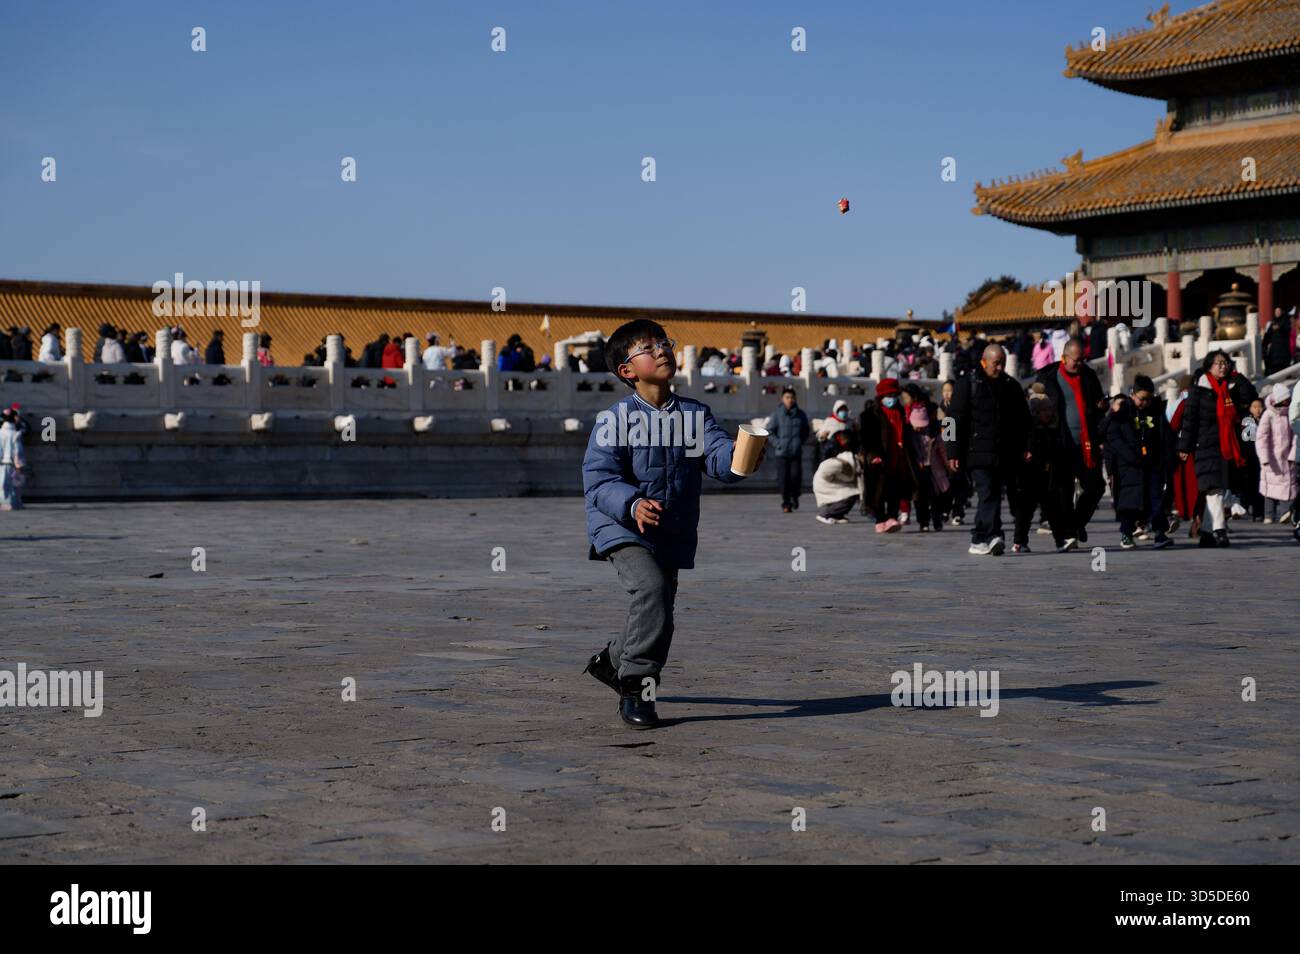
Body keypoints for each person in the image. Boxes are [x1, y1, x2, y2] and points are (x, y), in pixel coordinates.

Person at [581, 319, 758, 730]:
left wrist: (740, 456)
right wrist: (633, 502)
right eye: (649, 347)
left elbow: (716, 456)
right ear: (627, 370)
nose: (661, 351)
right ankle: (637, 687)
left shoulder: (695, 415)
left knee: (658, 607)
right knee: (651, 589)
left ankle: (610, 662)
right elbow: (599, 479)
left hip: (671, 526)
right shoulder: (615, 419)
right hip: (620, 524)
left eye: (664, 343)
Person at [944, 344, 1029, 556]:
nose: (999, 368)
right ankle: (994, 535)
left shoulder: (1011, 386)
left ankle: (978, 538)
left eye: (1002, 363)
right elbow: (951, 420)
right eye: (995, 363)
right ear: (984, 362)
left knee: (990, 495)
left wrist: (1028, 446)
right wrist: (951, 451)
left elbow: (1024, 421)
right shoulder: (967, 384)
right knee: (988, 492)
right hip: (975, 451)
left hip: (1003, 452)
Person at [1036, 339, 1106, 547]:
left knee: (1095, 487)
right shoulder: (1048, 378)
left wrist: (1101, 408)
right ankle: (1069, 533)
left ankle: (1076, 523)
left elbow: (1098, 406)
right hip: (1061, 444)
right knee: (1063, 491)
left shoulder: (1089, 376)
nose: (1080, 364)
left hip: (1087, 443)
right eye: (1076, 360)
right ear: (1064, 358)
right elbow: (1037, 409)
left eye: (1083, 360)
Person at [1179, 351, 1248, 547]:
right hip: (1204, 445)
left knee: (1216, 489)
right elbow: (1189, 421)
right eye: (1218, 363)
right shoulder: (1198, 390)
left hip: (1226, 445)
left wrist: (1238, 377)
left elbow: (1250, 396)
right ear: (1208, 366)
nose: (1223, 366)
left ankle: (1207, 533)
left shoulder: (1232, 388)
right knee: (1213, 488)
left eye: (1225, 363)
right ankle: (1219, 529)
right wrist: (1184, 446)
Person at [1014, 384, 1070, 553]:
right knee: (1025, 512)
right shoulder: (1028, 433)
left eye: (1049, 410)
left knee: (1054, 511)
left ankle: (1060, 540)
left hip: (1048, 478)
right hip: (1030, 477)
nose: (1047, 413)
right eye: (1043, 410)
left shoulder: (1054, 430)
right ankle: (1019, 541)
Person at [860, 378, 913, 534]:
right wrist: (874, 454)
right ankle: (880, 519)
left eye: (894, 395)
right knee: (878, 491)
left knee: (895, 489)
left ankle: (892, 516)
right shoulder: (870, 415)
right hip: (880, 458)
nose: (892, 399)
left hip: (899, 458)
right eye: (888, 395)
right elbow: (866, 437)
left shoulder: (902, 413)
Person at [764, 386, 810, 513]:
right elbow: (769, 431)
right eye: (787, 397)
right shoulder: (777, 414)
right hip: (781, 452)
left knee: (795, 477)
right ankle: (786, 502)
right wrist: (778, 444)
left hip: (796, 452)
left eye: (792, 397)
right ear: (782, 399)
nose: (790, 400)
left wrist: (800, 442)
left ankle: (795, 496)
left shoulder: (801, 415)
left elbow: (806, 431)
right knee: (783, 479)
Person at [1255, 383, 1296, 525]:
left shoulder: (1290, 414)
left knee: (1287, 486)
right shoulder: (1268, 414)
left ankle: (1286, 512)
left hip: (1286, 458)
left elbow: (1296, 436)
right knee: (1269, 487)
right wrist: (1264, 457)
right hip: (1271, 458)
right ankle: (1269, 514)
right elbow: (1262, 437)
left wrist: (1293, 454)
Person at [906, 399, 949, 531]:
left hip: (934, 469)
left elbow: (943, 451)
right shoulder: (909, 435)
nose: (919, 427)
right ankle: (923, 522)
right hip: (918, 471)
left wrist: (948, 464)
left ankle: (937, 520)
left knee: (936, 497)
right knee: (920, 499)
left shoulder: (935, 435)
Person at [1, 407, 27, 510]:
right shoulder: (15, 434)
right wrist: (18, 464)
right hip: (12, 463)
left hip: (2, 463)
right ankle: (15, 503)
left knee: (3, 484)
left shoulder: (0, 433)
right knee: (15, 484)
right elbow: (17, 450)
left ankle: (5, 503)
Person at [1263, 308, 1293, 376]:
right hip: (1274, 351)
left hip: (1283, 349)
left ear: (1281, 312)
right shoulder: (1273, 322)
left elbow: (1288, 329)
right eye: (1276, 311)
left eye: (1278, 311)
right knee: (1273, 368)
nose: (1277, 313)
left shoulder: (1286, 320)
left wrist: (1279, 327)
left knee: (1283, 367)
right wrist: (1264, 345)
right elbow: (1268, 334)